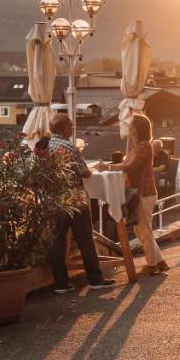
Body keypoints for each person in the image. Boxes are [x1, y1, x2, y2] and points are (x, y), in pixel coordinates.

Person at [47, 114, 115, 294]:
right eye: (70, 124)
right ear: (63, 128)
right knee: (85, 238)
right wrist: (91, 168)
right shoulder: (70, 146)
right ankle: (95, 279)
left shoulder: (46, 144)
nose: (72, 127)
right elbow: (85, 173)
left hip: (54, 199)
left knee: (57, 241)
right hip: (75, 198)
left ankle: (61, 283)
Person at [110, 113, 166, 275]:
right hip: (141, 192)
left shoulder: (144, 146)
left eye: (132, 124)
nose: (129, 126)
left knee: (143, 229)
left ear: (138, 127)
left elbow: (130, 166)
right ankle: (159, 262)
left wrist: (108, 168)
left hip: (144, 192)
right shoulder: (138, 145)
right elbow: (127, 162)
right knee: (142, 228)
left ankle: (152, 265)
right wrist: (130, 139)